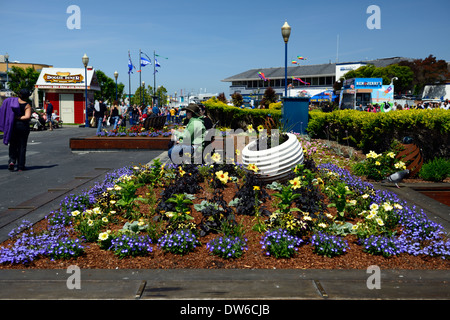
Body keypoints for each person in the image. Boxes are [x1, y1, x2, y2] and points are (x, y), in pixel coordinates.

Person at [0, 89, 32, 171]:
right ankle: (20, 166)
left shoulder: (11, 102)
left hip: (12, 126)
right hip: (23, 126)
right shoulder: (27, 105)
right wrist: (18, 117)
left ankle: (11, 161)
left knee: (13, 144)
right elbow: (27, 116)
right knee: (22, 146)